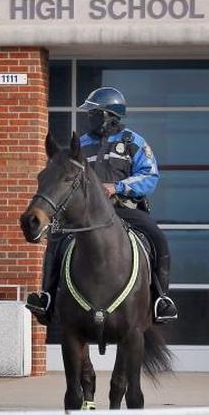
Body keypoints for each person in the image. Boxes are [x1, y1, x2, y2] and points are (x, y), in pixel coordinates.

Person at [26, 86, 178, 326]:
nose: (90, 117)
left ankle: (161, 300)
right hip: (86, 215)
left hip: (125, 209)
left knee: (158, 237)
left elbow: (150, 175)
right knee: (55, 240)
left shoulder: (133, 142)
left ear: (110, 115)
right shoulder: (81, 145)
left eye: (94, 113)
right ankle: (47, 298)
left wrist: (117, 187)